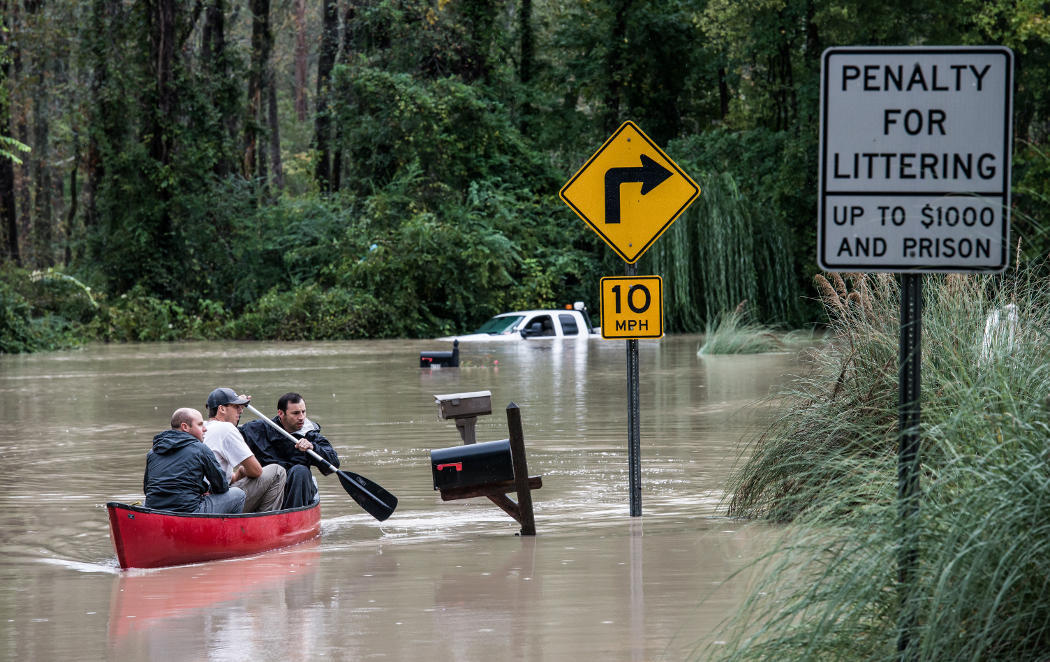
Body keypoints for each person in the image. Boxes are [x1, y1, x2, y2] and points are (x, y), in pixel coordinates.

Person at [240, 392, 340, 508]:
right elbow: (227, 433)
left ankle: (293, 515)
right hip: (267, 492)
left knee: (300, 470)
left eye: (303, 412)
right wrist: (236, 407)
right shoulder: (258, 429)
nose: (301, 417)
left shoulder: (311, 435)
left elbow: (333, 464)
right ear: (281, 413)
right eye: (296, 413)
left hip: (297, 493)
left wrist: (313, 447)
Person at [144, 408, 245, 513]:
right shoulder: (201, 449)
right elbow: (221, 486)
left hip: (155, 511)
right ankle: (226, 529)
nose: (205, 429)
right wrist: (206, 490)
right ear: (185, 427)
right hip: (189, 511)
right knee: (238, 494)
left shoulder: (153, 452)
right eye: (200, 424)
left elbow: (147, 489)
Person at [204, 387, 287, 512]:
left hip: (204, 497)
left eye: (241, 407)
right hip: (214, 501)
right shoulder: (226, 428)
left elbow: (219, 477)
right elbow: (256, 471)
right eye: (236, 407)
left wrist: (240, 473)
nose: (240, 411)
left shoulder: (202, 427)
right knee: (277, 472)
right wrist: (247, 470)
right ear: (221, 409)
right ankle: (264, 522)